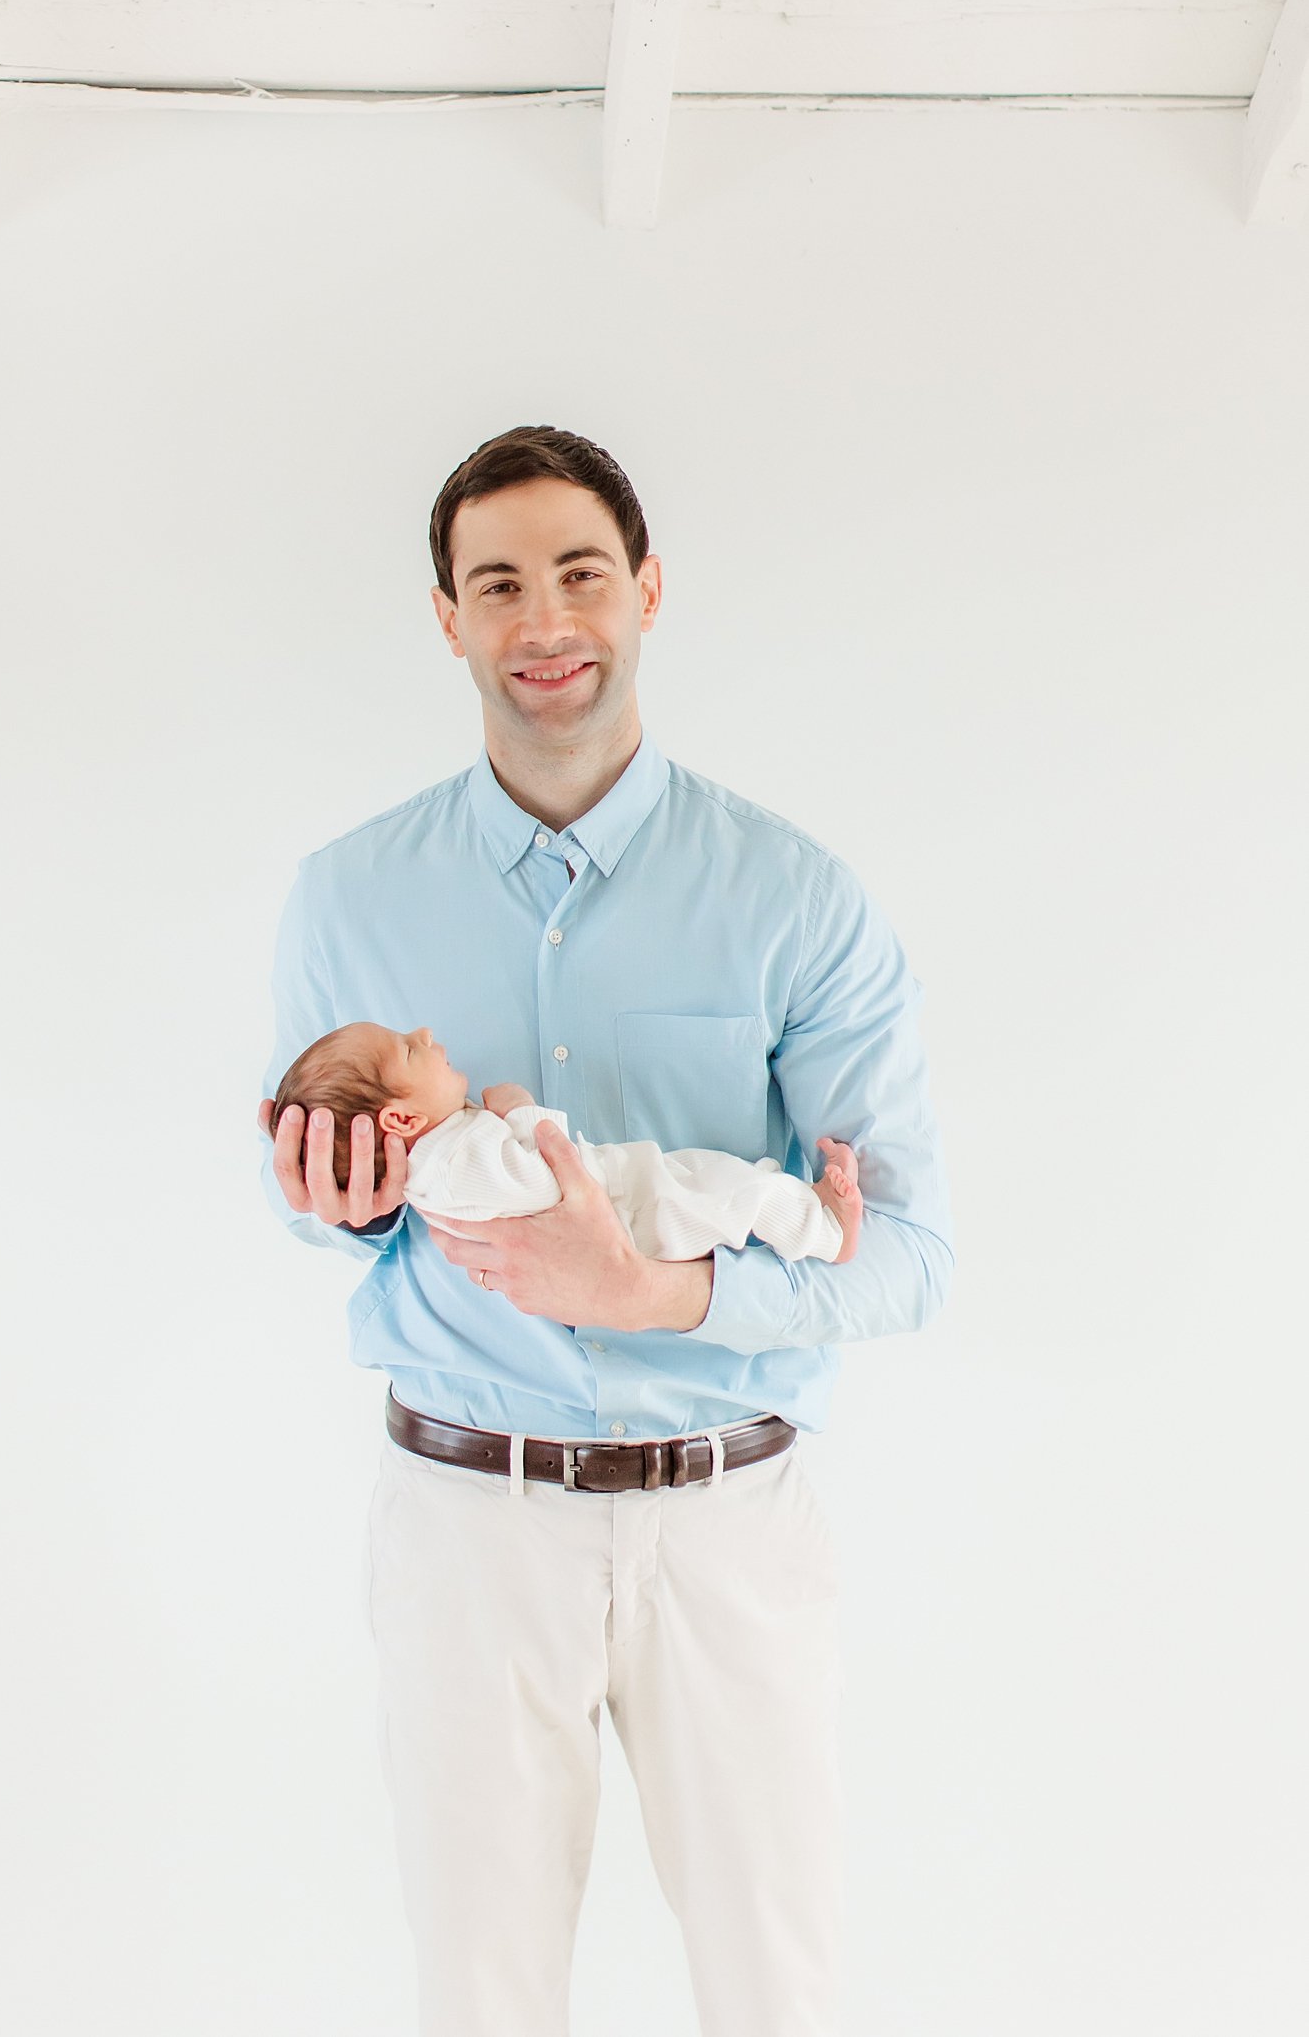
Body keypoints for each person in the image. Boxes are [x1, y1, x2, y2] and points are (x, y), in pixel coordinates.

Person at [258, 424, 954, 2037]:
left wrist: (653, 1287)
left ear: (646, 590)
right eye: (497, 582)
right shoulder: (345, 898)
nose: (543, 617)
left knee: (777, 1985)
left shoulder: (800, 898)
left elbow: (908, 1255)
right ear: (448, 618)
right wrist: (336, 1205)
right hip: (467, 1517)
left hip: (732, 1518)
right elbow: (331, 1218)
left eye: (580, 571)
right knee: (481, 1993)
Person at [269, 1016, 863, 1262]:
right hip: (630, 1217)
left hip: (630, 1197)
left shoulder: (447, 1150)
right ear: (399, 1121)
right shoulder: (449, 1165)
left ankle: (812, 1213)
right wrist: (523, 1113)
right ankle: (829, 1230)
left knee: (731, 1185)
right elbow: (542, 1182)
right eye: (407, 1048)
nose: (424, 1032)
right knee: (735, 1197)